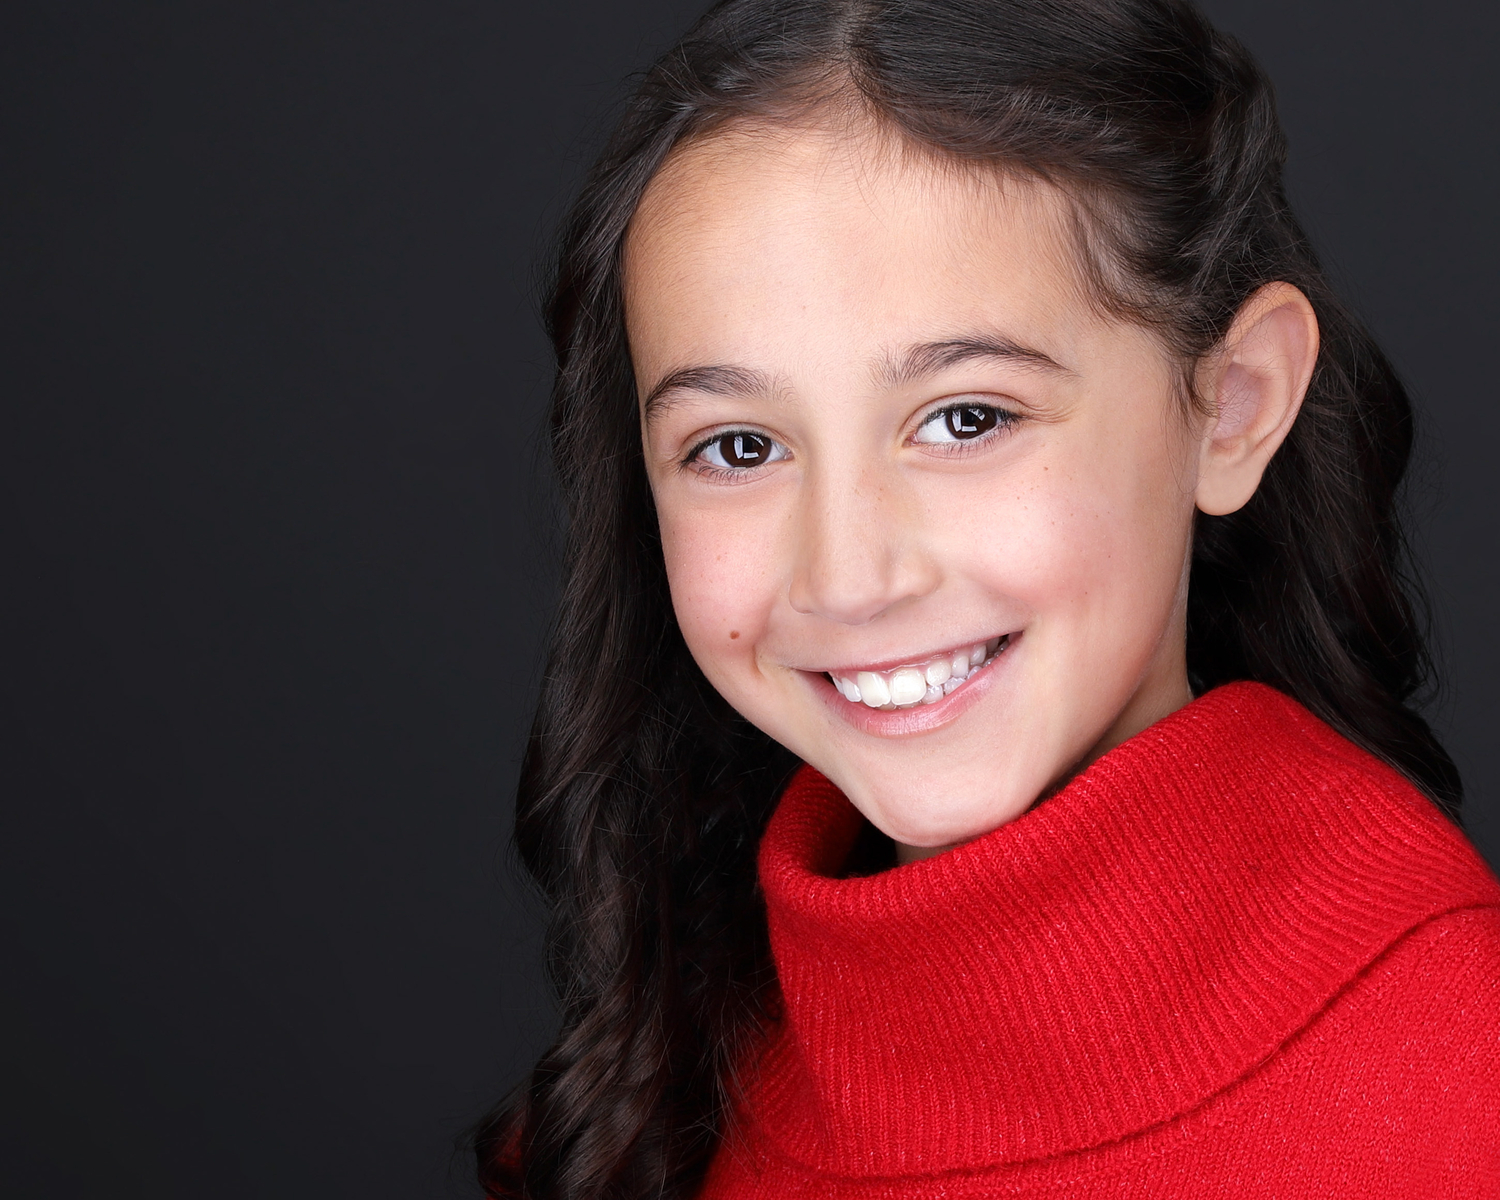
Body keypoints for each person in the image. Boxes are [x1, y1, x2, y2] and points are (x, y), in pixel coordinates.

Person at [477, 1, 1500, 1195]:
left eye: (967, 419)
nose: (850, 577)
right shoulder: (646, 1093)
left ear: (1231, 405)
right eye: (740, 447)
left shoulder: (1461, 1079)